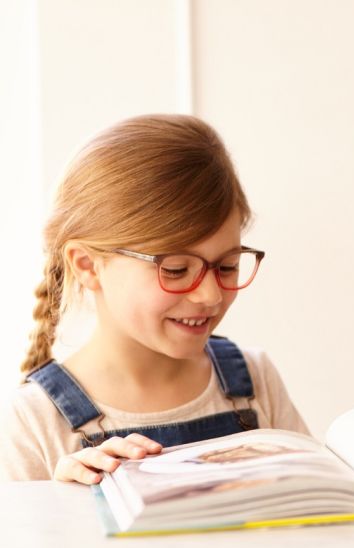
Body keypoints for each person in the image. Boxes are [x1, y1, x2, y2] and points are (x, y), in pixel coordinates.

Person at [0, 114, 309, 483]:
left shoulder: (254, 381)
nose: (210, 294)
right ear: (88, 265)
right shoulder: (33, 421)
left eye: (227, 266)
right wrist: (62, 503)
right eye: (176, 270)